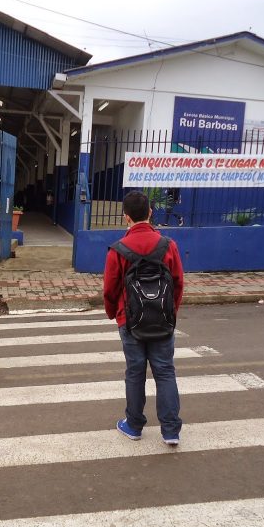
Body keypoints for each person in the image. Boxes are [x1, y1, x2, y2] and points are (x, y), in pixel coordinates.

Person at [103, 191, 185, 446]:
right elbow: (178, 282)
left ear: (125, 217)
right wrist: (171, 312)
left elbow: (110, 289)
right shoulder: (168, 245)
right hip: (162, 318)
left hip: (130, 320)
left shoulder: (118, 250)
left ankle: (134, 425)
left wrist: (113, 314)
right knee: (165, 371)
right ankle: (171, 431)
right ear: (150, 212)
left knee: (135, 372)